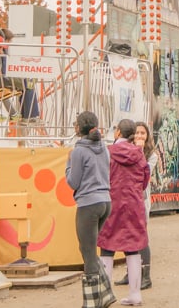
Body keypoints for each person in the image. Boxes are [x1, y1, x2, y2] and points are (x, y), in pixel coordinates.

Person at [98, 119, 151, 306]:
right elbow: (145, 180)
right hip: (134, 205)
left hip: (112, 203)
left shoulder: (107, 153)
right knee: (133, 248)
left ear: (118, 132)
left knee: (107, 247)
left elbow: (102, 176)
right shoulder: (139, 154)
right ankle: (135, 294)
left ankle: (105, 294)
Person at [66, 111, 114, 307]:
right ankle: (106, 293)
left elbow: (73, 181)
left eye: (75, 124)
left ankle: (93, 301)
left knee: (87, 251)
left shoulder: (78, 151)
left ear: (79, 128)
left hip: (88, 203)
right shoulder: (103, 147)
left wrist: (68, 165)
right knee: (88, 249)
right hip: (105, 201)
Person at [116, 121, 156, 291]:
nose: (140, 136)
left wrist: (139, 151)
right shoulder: (124, 151)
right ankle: (131, 272)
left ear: (147, 136)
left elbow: (144, 174)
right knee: (127, 235)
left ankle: (146, 275)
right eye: (137, 133)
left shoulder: (151, 155)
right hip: (126, 199)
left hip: (141, 198)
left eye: (143, 133)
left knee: (141, 235)